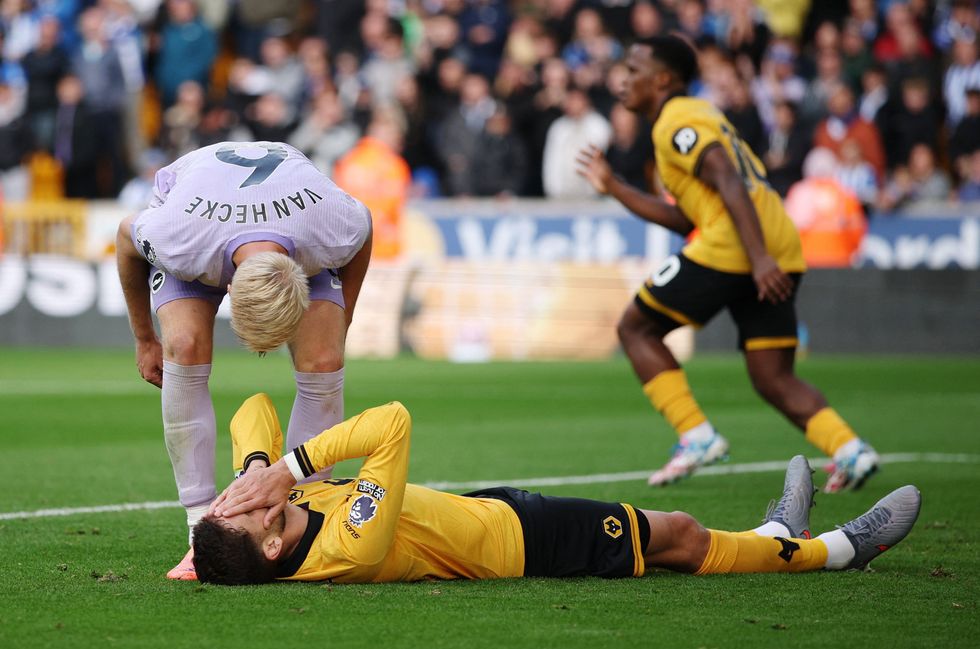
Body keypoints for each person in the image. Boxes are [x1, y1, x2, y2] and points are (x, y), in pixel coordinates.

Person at [193, 393, 920, 585]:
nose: (253, 492)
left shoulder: (265, 524)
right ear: (270, 537)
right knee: (681, 534)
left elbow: (250, 405)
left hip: (479, 510)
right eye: (252, 503)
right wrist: (286, 467)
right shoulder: (349, 544)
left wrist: (253, 466)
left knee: (678, 536)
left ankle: (771, 540)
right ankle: (833, 551)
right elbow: (392, 423)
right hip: (522, 542)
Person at [575, 36, 879, 492]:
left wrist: (757, 261)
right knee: (772, 376)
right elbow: (684, 216)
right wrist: (615, 187)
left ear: (663, 79)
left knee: (635, 328)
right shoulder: (696, 117)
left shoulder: (677, 119)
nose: (623, 81)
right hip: (776, 246)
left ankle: (696, 435)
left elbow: (727, 178)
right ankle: (850, 450)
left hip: (738, 247)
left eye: (634, 70)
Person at [115, 141, 373, 580]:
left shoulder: (333, 226)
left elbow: (364, 230)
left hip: (293, 221)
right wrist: (145, 338)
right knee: (185, 343)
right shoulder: (178, 239)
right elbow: (124, 237)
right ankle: (198, 530)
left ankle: (303, 514)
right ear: (228, 290)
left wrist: (341, 319)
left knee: (325, 357)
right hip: (202, 223)